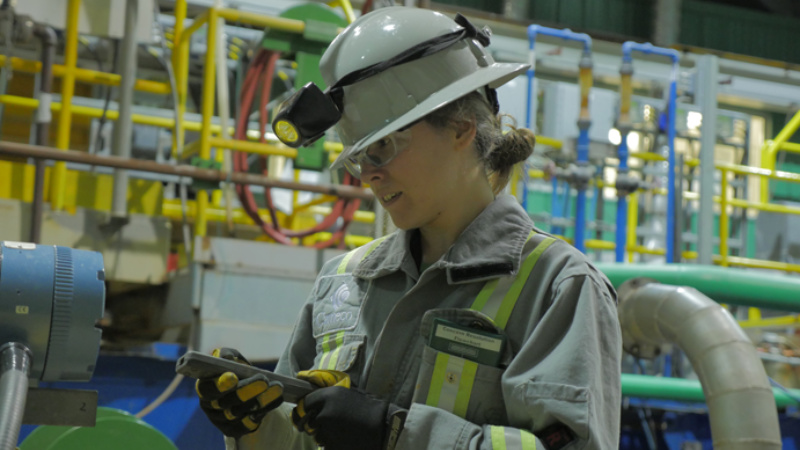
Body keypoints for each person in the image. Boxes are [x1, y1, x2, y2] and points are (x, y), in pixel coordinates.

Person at [195, 6, 621, 450]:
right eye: (360, 157)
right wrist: (255, 424)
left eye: (384, 147)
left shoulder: (557, 287)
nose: (369, 175)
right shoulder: (344, 282)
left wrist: (396, 434)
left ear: (461, 128)